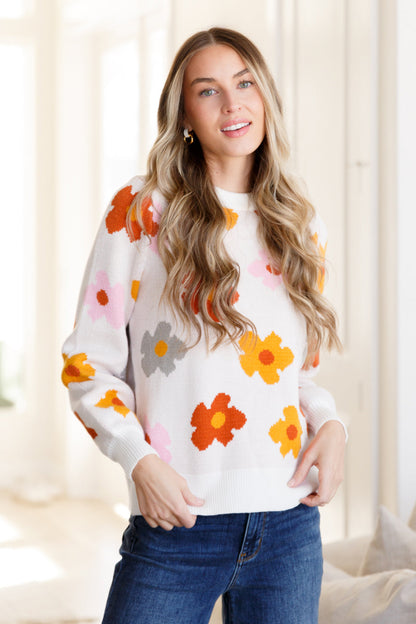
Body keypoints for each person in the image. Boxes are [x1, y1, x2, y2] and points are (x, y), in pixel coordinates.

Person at [61, 27, 346, 624]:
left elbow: (296, 376)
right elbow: (88, 364)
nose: (232, 104)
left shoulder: (300, 225)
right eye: (208, 90)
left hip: (289, 526)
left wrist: (331, 424)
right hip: (176, 526)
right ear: (185, 114)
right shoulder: (142, 210)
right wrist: (139, 461)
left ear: (266, 96)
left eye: (245, 83)